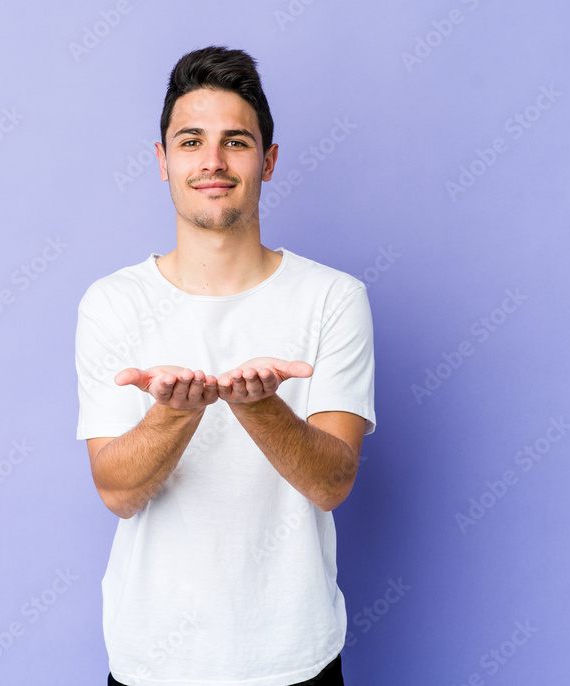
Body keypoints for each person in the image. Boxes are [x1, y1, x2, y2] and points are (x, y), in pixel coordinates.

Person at [75, 45, 375, 686]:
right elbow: (117, 493)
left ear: (267, 160)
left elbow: (332, 484)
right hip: (152, 662)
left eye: (235, 142)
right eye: (191, 141)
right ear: (162, 161)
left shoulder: (333, 298)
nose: (212, 161)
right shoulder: (112, 303)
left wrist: (259, 407)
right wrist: (172, 415)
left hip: (294, 660)